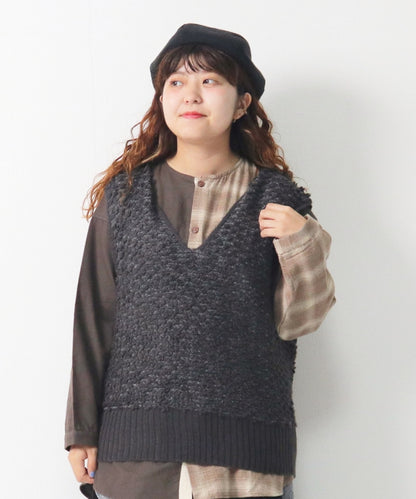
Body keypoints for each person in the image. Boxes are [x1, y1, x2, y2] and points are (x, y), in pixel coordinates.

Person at [65, 23, 336, 499]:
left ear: (242, 103)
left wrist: (301, 243)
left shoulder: (279, 201)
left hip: (246, 464)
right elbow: (94, 317)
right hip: (137, 460)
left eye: (210, 80)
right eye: (176, 82)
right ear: (162, 99)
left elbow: (300, 321)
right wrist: (81, 430)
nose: (191, 94)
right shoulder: (124, 197)